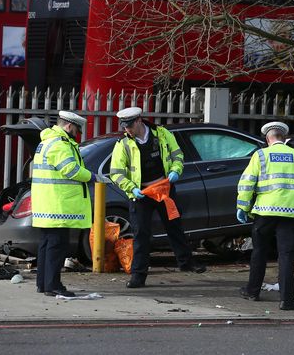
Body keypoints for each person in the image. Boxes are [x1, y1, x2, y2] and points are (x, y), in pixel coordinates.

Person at [109, 107, 205, 289]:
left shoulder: (161, 134)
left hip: (164, 189)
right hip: (141, 194)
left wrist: (176, 170)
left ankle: (186, 263)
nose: (127, 129)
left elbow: (177, 155)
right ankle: (138, 275)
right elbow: (116, 174)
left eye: (129, 125)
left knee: (175, 226)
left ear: (139, 121)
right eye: (124, 126)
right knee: (141, 234)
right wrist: (131, 188)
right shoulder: (123, 144)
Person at [32, 111, 108, 297]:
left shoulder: (46, 142)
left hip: (47, 204)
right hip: (58, 206)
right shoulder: (60, 144)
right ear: (68, 126)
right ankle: (53, 286)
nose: (77, 133)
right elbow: (71, 170)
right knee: (57, 247)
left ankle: (43, 283)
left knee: (46, 245)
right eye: (76, 129)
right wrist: (93, 177)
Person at [236, 121, 294, 311]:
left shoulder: (260, 155)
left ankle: (252, 291)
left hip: (265, 211)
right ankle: (286, 300)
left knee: (259, 251)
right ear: (283, 138)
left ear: (268, 139)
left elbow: (247, 182)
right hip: (291, 212)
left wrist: (242, 206)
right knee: (286, 255)